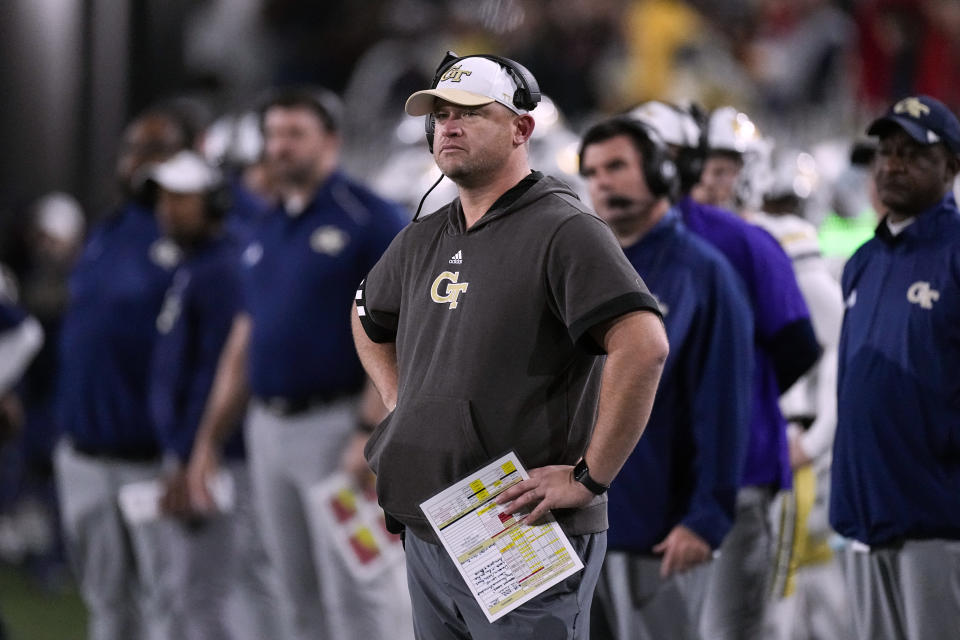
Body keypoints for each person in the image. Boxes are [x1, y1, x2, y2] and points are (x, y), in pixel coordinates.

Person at [352, 52, 669, 640]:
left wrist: (589, 478)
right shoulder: (423, 234)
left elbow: (643, 346)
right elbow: (366, 313)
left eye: (470, 113)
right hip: (430, 522)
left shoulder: (564, 229)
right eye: (441, 114)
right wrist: (404, 400)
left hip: (518, 524)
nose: (448, 125)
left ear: (522, 128)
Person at [185, 87, 410, 640]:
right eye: (273, 135)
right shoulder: (266, 224)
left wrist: (369, 427)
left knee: (361, 586)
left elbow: (401, 327)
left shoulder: (370, 217)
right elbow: (246, 337)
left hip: (338, 426)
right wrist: (209, 439)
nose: (280, 147)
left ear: (330, 140)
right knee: (293, 592)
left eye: (294, 134)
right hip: (269, 429)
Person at [631, 101, 821, 640]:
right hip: (645, 481)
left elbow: (798, 345)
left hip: (738, 473)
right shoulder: (601, 238)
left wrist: (736, 399)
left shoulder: (745, 240)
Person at [578, 116, 752, 640]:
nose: (602, 181)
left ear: (658, 171)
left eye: (616, 166)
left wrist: (706, 517)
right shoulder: (579, 267)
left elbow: (723, 406)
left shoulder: (703, 271)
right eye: (591, 171)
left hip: (659, 529)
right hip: (575, 526)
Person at [53, 107, 190, 640]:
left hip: (151, 458)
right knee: (106, 607)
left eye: (155, 150)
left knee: (167, 609)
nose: (139, 163)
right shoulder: (107, 227)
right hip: (84, 453)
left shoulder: (188, 231)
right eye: (133, 150)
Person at [136, 150, 282, 640]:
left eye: (182, 199)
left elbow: (219, 372)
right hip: (204, 452)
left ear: (215, 201)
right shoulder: (198, 264)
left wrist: (193, 451)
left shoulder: (222, 269)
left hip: (219, 459)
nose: (167, 209)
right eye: (164, 198)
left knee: (211, 596)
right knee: (200, 592)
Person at [830, 94, 960, 640]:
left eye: (912, 152)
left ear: (951, 166)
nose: (892, 164)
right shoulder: (864, 259)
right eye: (885, 151)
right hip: (865, 515)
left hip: (938, 520)